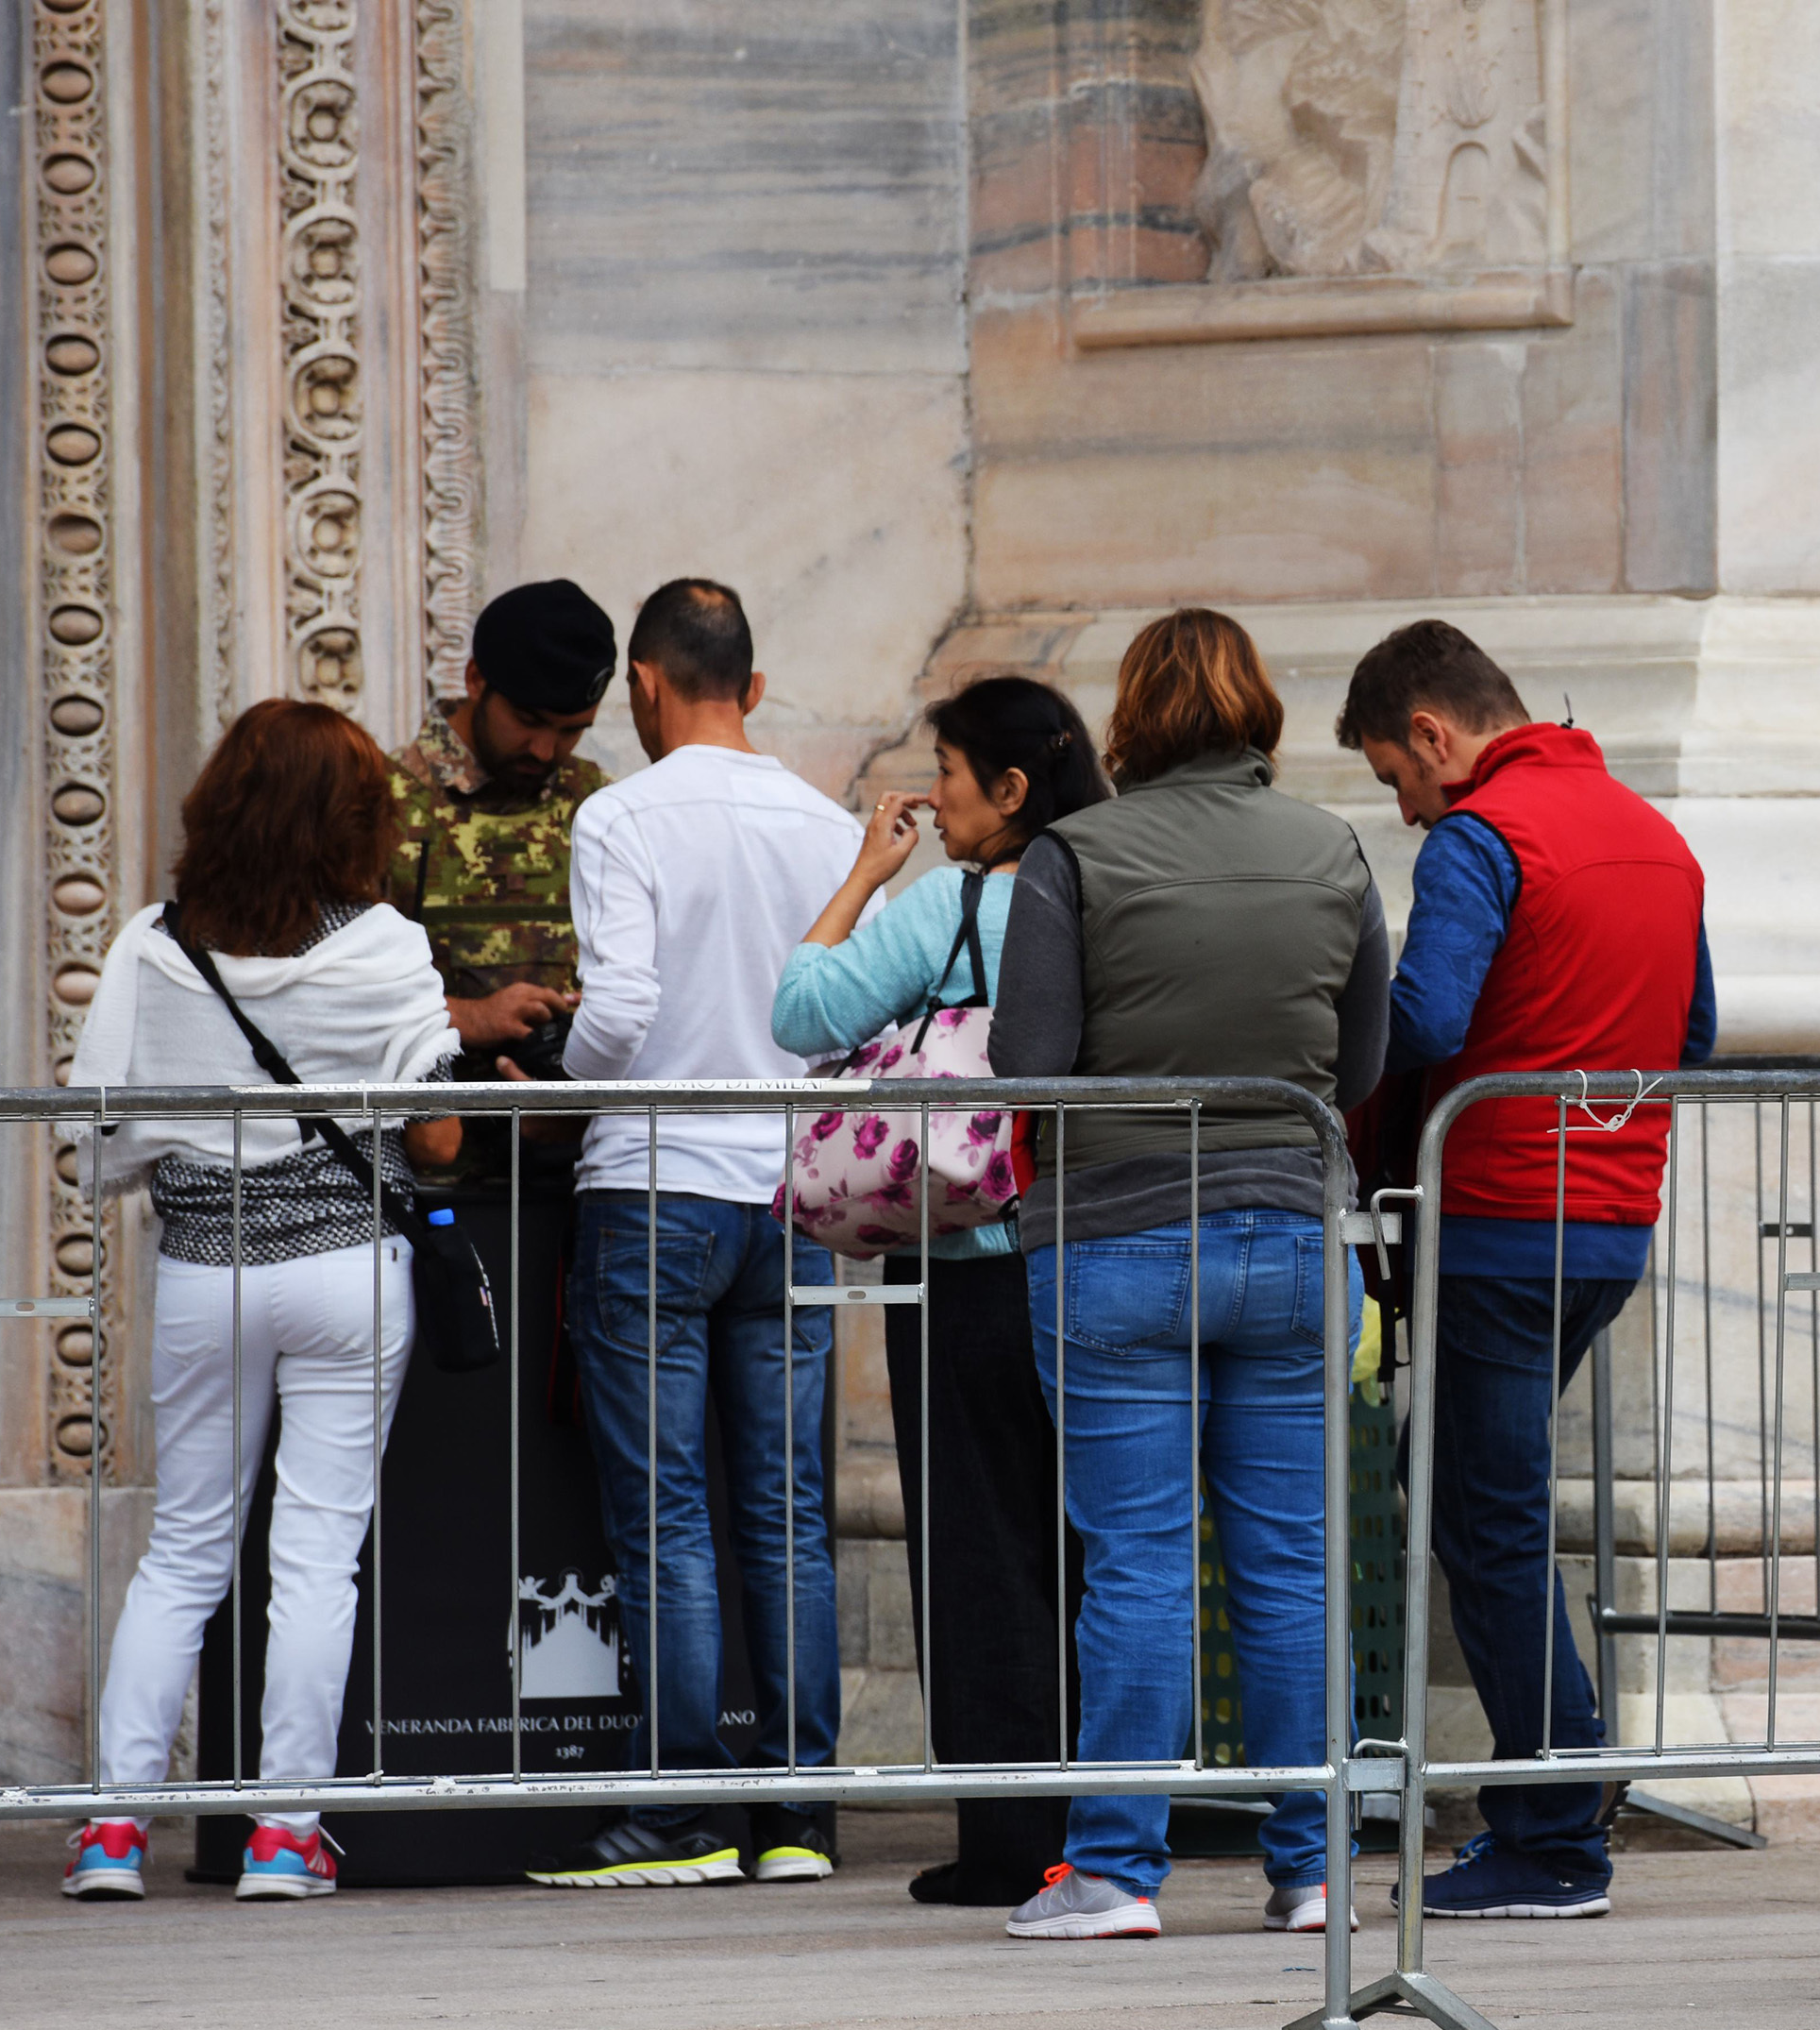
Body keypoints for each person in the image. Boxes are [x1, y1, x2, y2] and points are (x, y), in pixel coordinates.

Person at [986, 607, 1390, 1941]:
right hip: (1286, 1229)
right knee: (1286, 1567)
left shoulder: (1074, 853)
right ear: (1259, 707)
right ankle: (1314, 1863)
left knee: (1140, 1564)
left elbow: (1027, 1060)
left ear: (1133, 717)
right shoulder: (1331, 847)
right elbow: (1365, 1063)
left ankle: (1115, 1870)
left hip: (1111, 1236)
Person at [1331, 619, 1713, 1920]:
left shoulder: (1481, 838)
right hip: (1611, 1220)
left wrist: (1330, 1028)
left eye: (1394, 774)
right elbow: (1695, 1028)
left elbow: (1428, 1018)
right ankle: (1560, 1789)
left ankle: (1553, 1828)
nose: (1404, 803)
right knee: (1471, 1497)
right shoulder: (1652, 835)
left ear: (1434, 733)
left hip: (1494, 1216)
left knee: (1484, 1518)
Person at [59, 701, 463, 1903]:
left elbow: (106, 1124)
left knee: (181, 1553)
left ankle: (112, 1831)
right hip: (346, 1271)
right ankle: (286, 1835)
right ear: (355, 822)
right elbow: (435, 1134)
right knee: (316, 1559)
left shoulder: (155, 943)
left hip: (204, 1275)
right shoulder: (385, 944)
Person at [526, 580, 864, 1891]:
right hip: (788, 1191)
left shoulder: (620, 814)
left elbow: (617, 1013)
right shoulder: (827, 821)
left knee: (663, 1507)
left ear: (645, 687)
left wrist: (571, 1079)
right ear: (755, 686)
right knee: (786, 1509)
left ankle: (676, 1811)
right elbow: (846, 1015)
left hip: (655, 1182)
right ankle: (796, 1812)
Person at [773, 677, 1110, 1907]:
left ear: (1010, 789)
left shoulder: (957, 908)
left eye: (949, 775)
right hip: (1099, 1260)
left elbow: (797, 1008)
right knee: (1092, 1544)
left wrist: (868, 871)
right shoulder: (1105, 895)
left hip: (969, 1272)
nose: (933, 799)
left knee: (977, 1549)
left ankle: (1007, 1838)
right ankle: (1103, 1824)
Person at [388, 579, 615, 1094]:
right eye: (527, 720)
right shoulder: (379, 802)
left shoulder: (602, 807)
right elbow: (320, 986)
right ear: (475, 680)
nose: (543, 750)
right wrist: (465, 1016)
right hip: (424, 1160)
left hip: (577, 1157)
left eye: (570, 730)